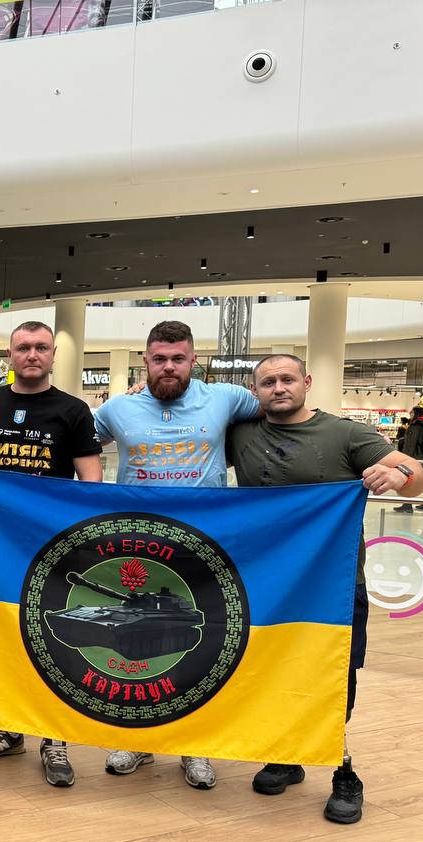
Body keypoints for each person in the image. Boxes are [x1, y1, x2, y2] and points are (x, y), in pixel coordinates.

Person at [228, 354, 423, 823]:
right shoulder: (240, 433)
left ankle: (343, 769)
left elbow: (417, 478)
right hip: (267, 582)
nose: (279, 388)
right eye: (268, 382)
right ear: (255, 391)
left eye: (287, 379)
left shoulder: (346, 434)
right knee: (271, 670)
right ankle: (287, 754)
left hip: (334, 583)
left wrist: (396, 475)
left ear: (307, 382)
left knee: (335, 676)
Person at [92, 319, 261, 789]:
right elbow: (76, 443)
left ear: (194, 360)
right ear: (145, 360)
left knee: (202, 646)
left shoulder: (228, 398)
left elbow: (280, 412)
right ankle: (139, 739)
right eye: (160, 359)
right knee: (140, 647)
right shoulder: (117, 408)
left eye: (178, 359)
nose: (169, 367)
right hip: (140, 546)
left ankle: (195, 744)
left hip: (204, 546)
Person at [0, 320, 103, 788]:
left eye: (41, 347)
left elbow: (92, 484)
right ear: (10, 354)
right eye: (23, 347)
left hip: (51, 548)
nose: (32, 355)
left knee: (52, 639)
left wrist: (78, 540)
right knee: (3, 635)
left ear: (53, 354)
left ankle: (54, 738)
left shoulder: (73, 410)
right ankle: (7, 727)